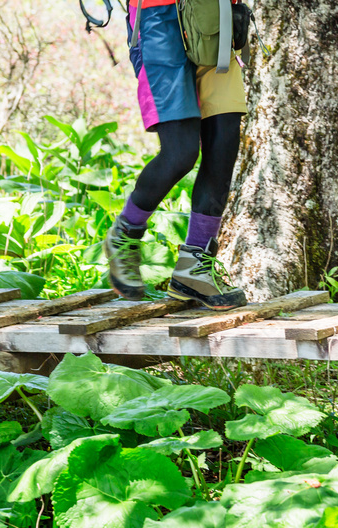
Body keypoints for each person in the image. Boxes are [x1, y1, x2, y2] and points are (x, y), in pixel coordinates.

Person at [105, 0, 248, 310]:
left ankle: (193, 268)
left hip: (214, 15)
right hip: (158, 18)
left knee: (223, 147)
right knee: (181, 153)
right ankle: (124, 234)